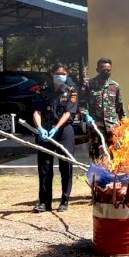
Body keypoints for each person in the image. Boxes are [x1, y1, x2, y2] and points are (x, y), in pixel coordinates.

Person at [32, 63, 78, 212]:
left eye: (64, 73)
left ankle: (64, 201)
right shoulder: (42, 90)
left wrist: (57, 128)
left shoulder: (71, 91)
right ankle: (44, 202)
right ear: (52, 73)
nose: (61, 76)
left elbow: (68, 113)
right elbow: (36, 111)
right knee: (45, 167)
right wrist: (39, 127)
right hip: (45, 130)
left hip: (64, 131)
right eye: (58, 73)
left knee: (66, 165)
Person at [80, 58, 125, 161]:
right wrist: (86, 115)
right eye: (103, 70)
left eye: (108, 70)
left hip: (112, 126)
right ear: (97, 70)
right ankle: (98, 175)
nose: (106, 72)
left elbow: (120, 107)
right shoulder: (88, 85)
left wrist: (124, 123)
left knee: (116, 154)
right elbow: (81, 105)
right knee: (96, 154)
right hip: (96, 126)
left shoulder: (115, 86)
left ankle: (114, 176)